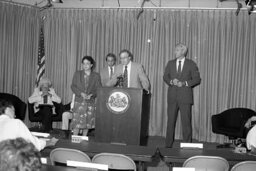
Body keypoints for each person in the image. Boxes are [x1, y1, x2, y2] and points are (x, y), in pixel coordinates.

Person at [163, 43, 201, 148]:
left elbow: (197, 79)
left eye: (177, 50)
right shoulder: (170, 63)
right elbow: (165, 76)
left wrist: (185, 83)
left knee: (186, 123)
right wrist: (171, 81)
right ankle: (168, 146)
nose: (175, 52)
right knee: (170, 122)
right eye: (175, 50)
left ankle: (187, 146)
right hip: (172, 97)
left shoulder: (191, 64)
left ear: (183, 52)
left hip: (185, 97)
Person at [62, 56, 102, 135]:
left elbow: (98, 88)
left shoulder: (96, 75)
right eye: (83, 63)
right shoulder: (77, 73)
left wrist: (92, 94)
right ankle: (75, 139)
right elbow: (73, 86)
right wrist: (81, 93)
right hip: (79, 101)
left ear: (91, 65)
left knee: (87, 123)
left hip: (90, 102)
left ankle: (83, 140)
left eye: (87, 63)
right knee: (77, 123)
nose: (85, 65)